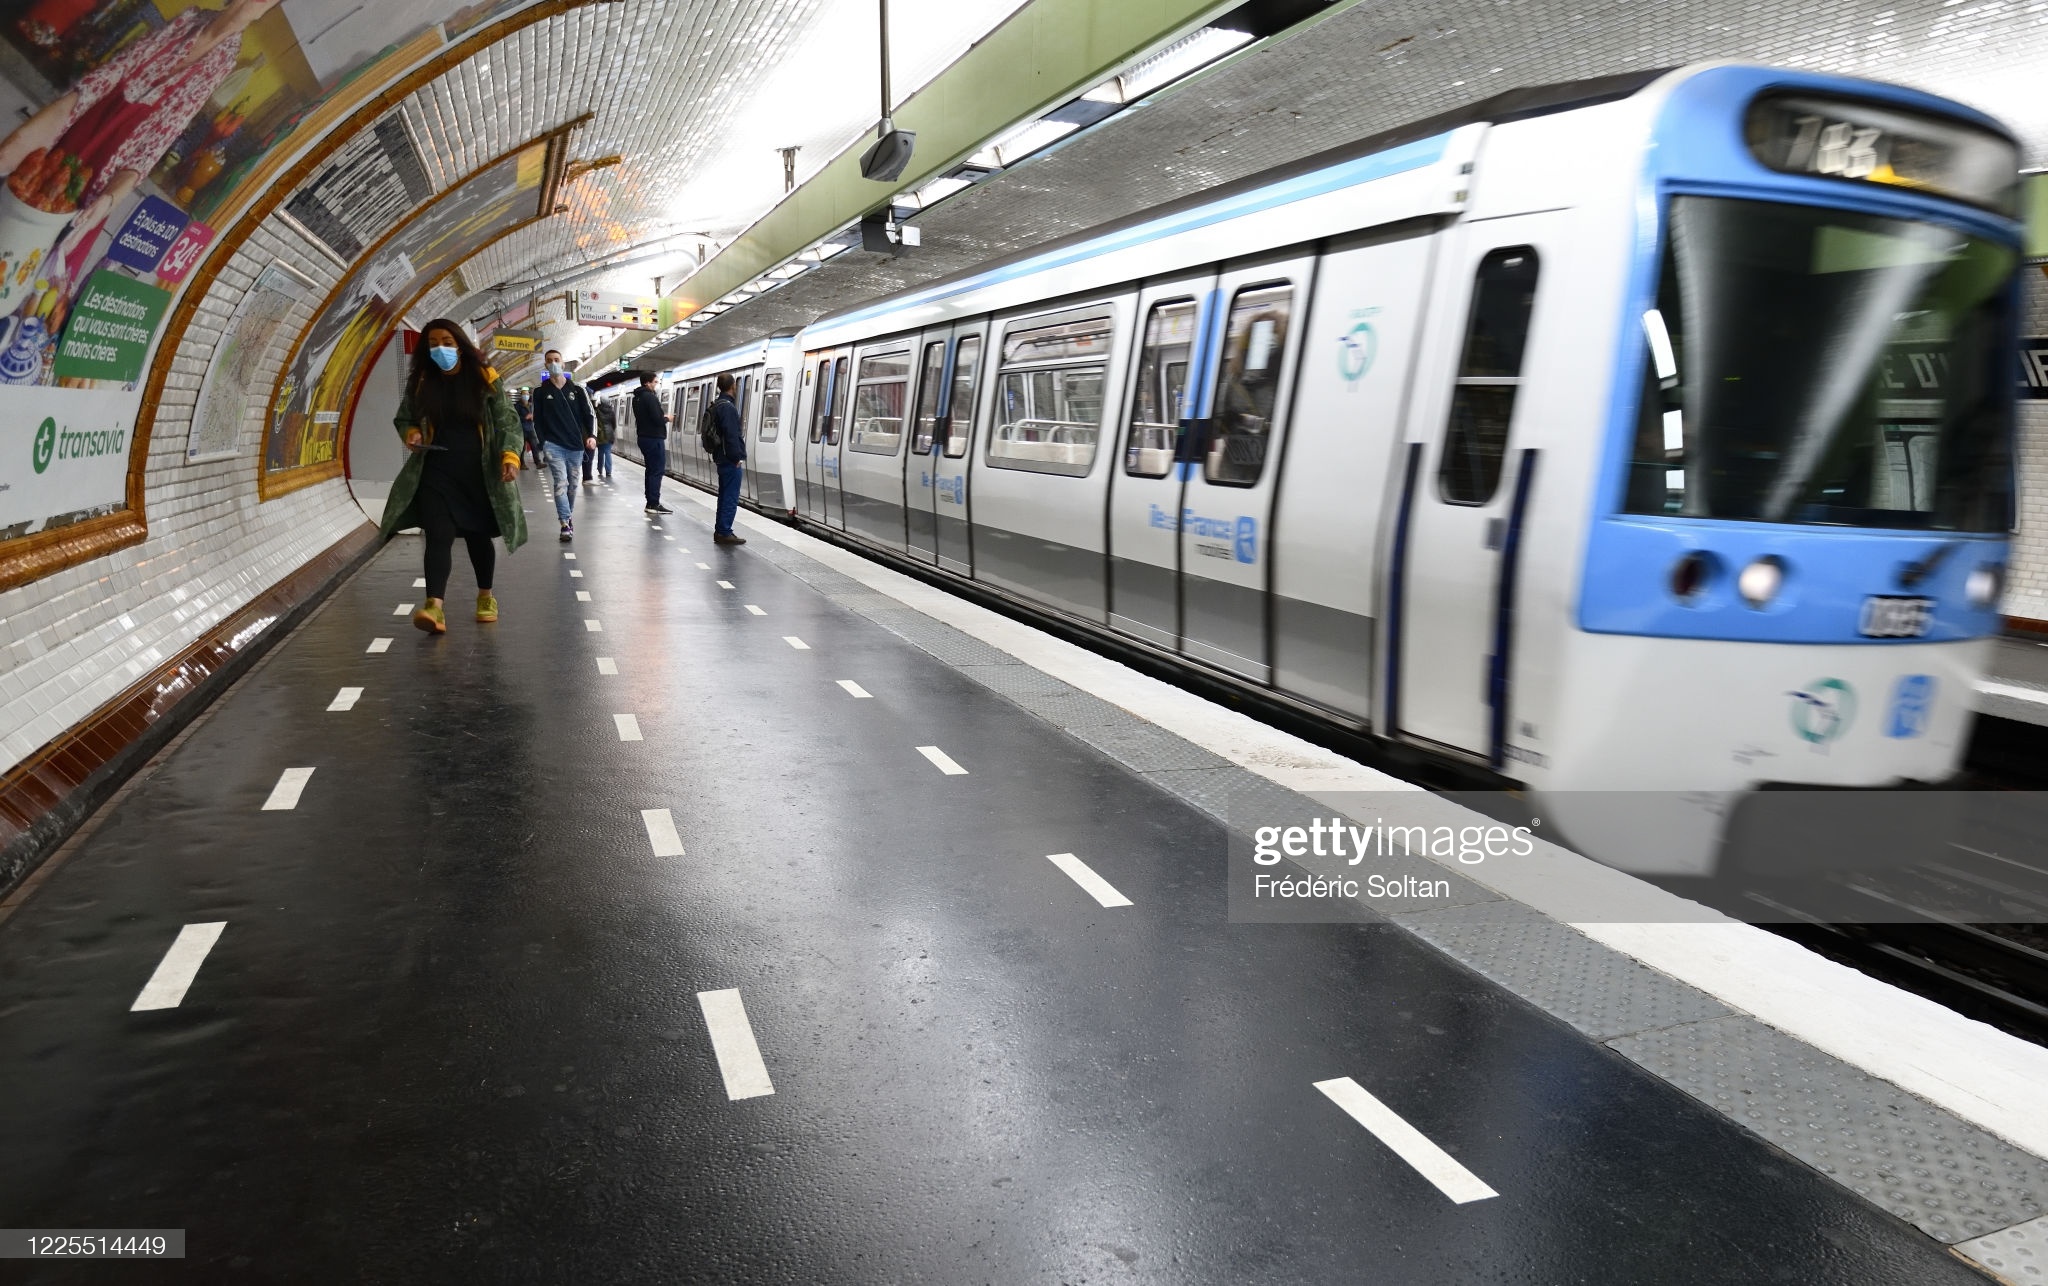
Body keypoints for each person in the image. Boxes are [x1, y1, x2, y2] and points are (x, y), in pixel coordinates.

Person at [378, 318, 526, 634]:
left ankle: (485, 596)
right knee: (438, 535)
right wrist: (412, 433)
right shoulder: (421, 382)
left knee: (477, 536)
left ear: (460, 345)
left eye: (447, 342)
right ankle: (434, 606)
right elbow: (404, 418)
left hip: (478, 472)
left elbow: (508, 421)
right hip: (436, 471)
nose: (440, 349)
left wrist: (510, 456)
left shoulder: (485, 379)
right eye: (433, 344)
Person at [530, 347, 595, 540]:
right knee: (560, 482)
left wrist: (591, 435)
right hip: (553, 446)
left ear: (563, 363)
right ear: (545, 365)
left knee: (572, 486)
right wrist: (543, 442)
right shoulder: (540, 392)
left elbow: (589, 414)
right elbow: (537, 420)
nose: (553, 363)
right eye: (549, 360)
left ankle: (568, 515)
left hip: (575, 446)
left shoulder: (577, 389)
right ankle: (564, 523)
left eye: (556, 360)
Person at [709, 372, 746, 545]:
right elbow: (731, 435)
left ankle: (720, 530)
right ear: (733, 386)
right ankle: (724, 531)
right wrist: (736, 457)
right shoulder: (728, 408)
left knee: (724, 495)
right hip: (729, 459)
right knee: (730, 496)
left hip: (720, 457)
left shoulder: (717, 404)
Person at [632, 371, 671, 515]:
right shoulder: (650, 397)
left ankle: (650, 501)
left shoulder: (637, 398)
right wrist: (667, 418)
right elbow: (657, 419)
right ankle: (653, 503)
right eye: (655, 382)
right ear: (647, 383)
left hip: (643, 437)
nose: (656, 385)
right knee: (656, 471)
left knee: (650, 470)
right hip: (654, 438)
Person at [593, 394, 616, 483]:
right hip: (609, 434)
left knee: (600, 452)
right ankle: (608, 471)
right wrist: (611, 430)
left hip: (600, 434)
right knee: (608, 452)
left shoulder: (597, 411)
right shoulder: (611, 411)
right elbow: (614, 424)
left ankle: (600, 469)